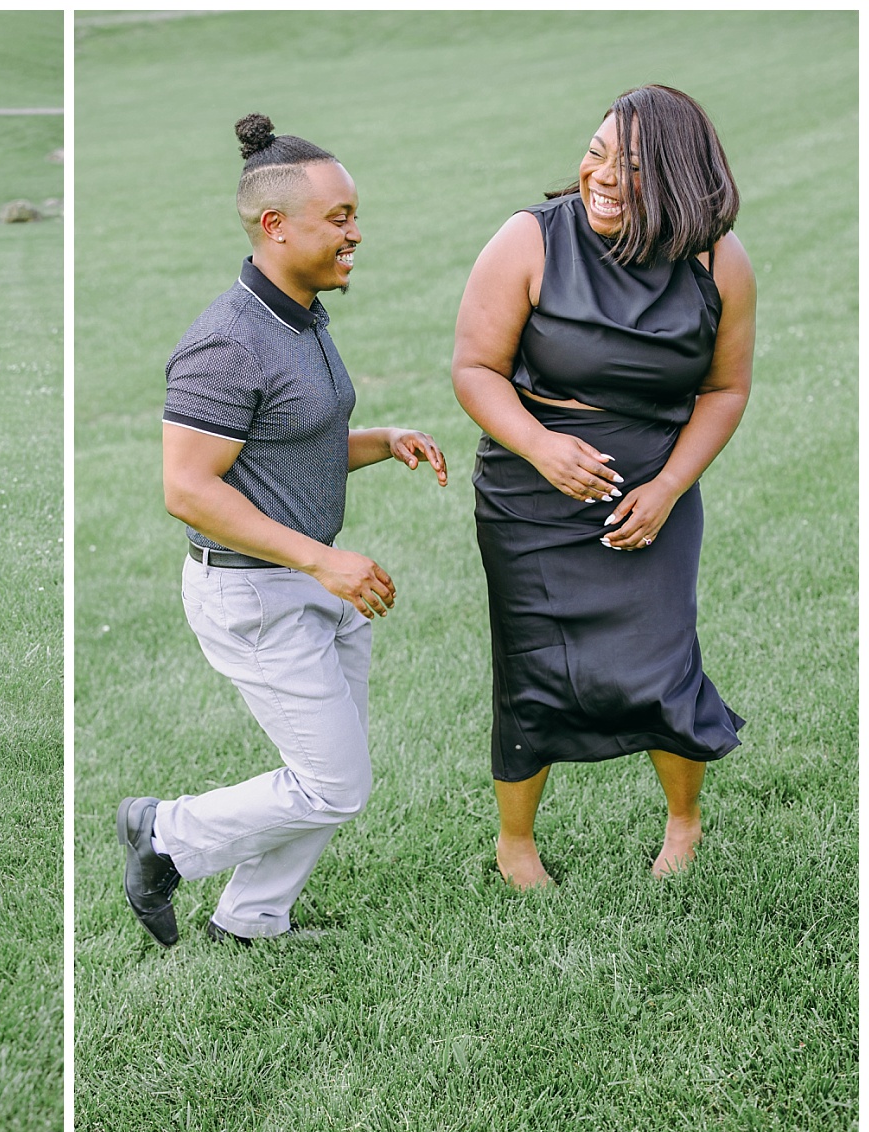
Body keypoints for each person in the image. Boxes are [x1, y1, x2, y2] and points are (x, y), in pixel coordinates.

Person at [118, 115, 449, 946]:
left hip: (310, 579)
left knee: (328, 774)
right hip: (255, 591)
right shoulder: (227, 342)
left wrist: (379, 442)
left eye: (352, 215)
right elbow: (189, 489)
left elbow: (286, 442)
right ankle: (162, 834)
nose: (355, 232)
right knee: (335, 784)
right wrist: (321, 560)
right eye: (339, 218)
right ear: (276, 227)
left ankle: (252, 916)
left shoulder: (301, 317)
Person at [451, 84, 754, 889]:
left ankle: (683, 821)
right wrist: (544, 447)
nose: (602, 175)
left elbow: (724, 391)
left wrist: (666, 489)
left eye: (631, 164)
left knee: (663, 662)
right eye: (595, 152)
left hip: (653, 495)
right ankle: (516, 843)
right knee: (532, 669)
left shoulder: (719, 261)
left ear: (681, 177)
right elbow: (475, 370)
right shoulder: (529, 240)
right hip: (529, 495)